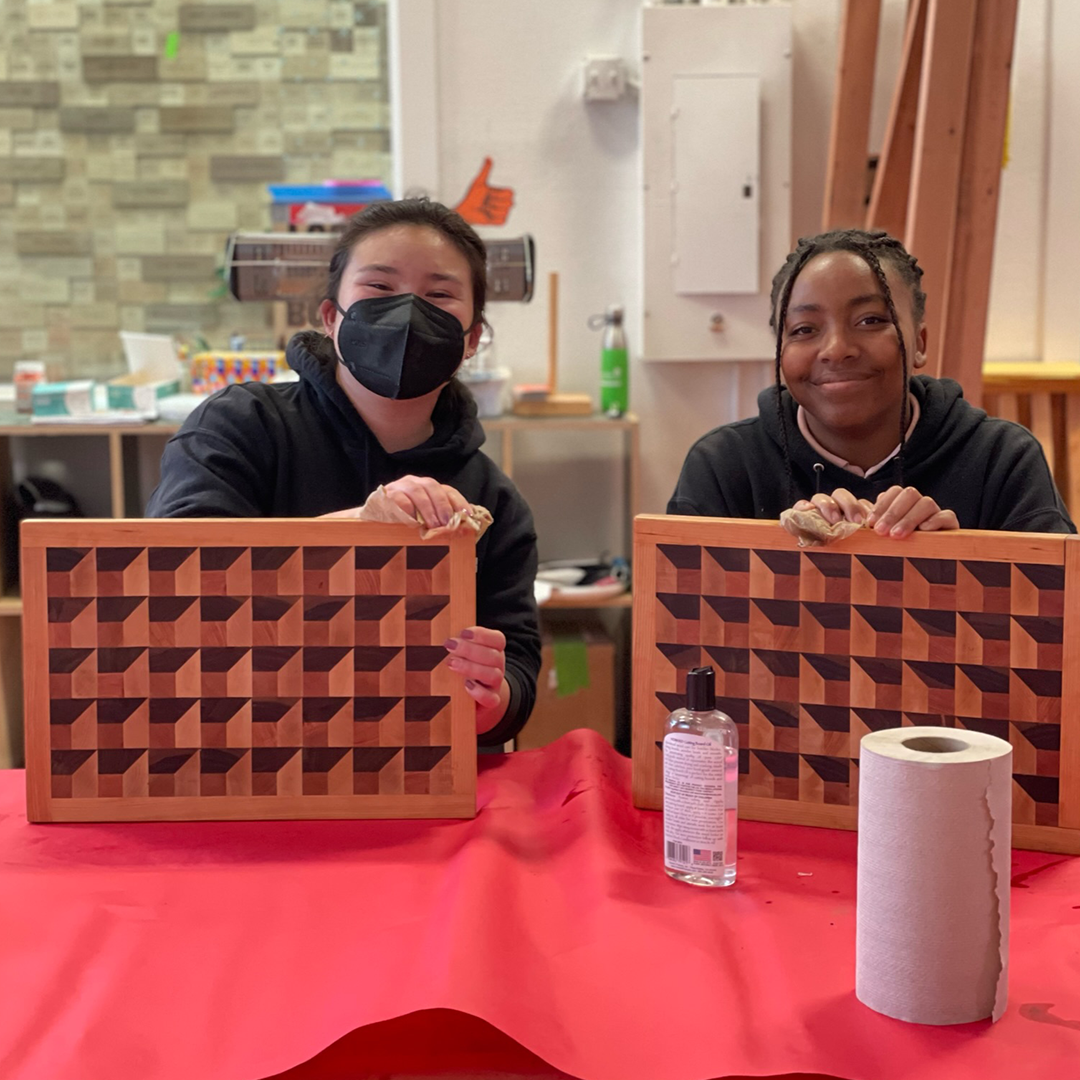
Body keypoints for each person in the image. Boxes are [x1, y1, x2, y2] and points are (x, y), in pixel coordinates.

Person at [147, 199, 541, 745]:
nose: (407, 312)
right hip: (234, 746)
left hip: (411, 764)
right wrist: (352, 531)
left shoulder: (491, 499)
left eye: (439, 295)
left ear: (472, 339)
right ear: (332, 318)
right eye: (379, 289)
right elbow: (172, 584)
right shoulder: (240, 425)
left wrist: (491, 702)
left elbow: (517, 666)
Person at [668, 228, 1075, 536]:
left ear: (918, 342)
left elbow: (1060, 628)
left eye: (871, 321)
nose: (836, 349)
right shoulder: (724, 468)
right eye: (804, 329)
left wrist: (957, 564)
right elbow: (678, 634)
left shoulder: (1000, 461)